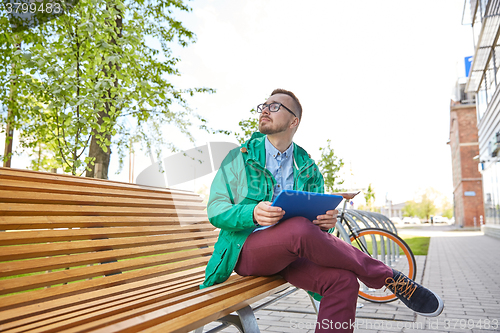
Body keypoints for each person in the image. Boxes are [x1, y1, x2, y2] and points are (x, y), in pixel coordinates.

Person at [200, 89, 443, 332]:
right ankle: (387, 276)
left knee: (344, 281)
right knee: (298, 228)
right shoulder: (239, 158)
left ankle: (382, 276)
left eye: (275, 106)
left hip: (294, 253)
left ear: (294, 121)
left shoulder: (308, 167)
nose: (265, 109)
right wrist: (251, 213)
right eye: (264, 105)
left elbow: (314, 224)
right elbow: (216, 209)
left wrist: (325, 221)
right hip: (247, 250)